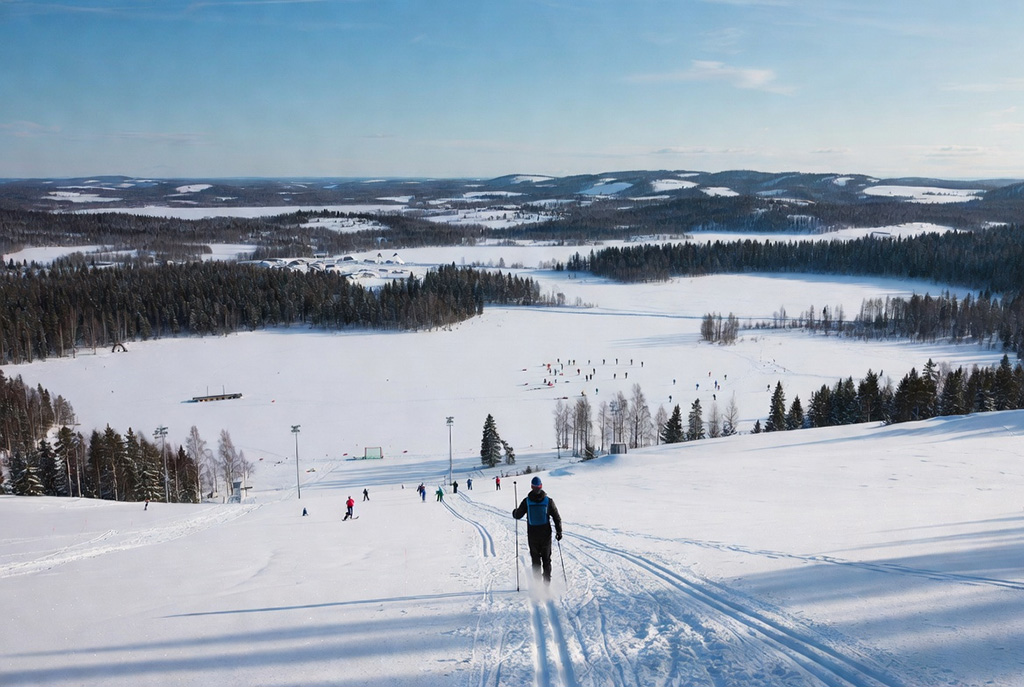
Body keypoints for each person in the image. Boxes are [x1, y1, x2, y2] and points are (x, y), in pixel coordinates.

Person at [512, 476, 563, 584]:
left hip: (532, 535)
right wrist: (559, 531)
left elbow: (518, 515)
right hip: (545, 535)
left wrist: (514, 512)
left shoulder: (527, 501)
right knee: (546, 560)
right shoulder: (548, 501)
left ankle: (537, 585)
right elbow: (556, 517)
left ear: (532, 487)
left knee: (535, 561)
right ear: (541, 486)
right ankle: (546, 584)